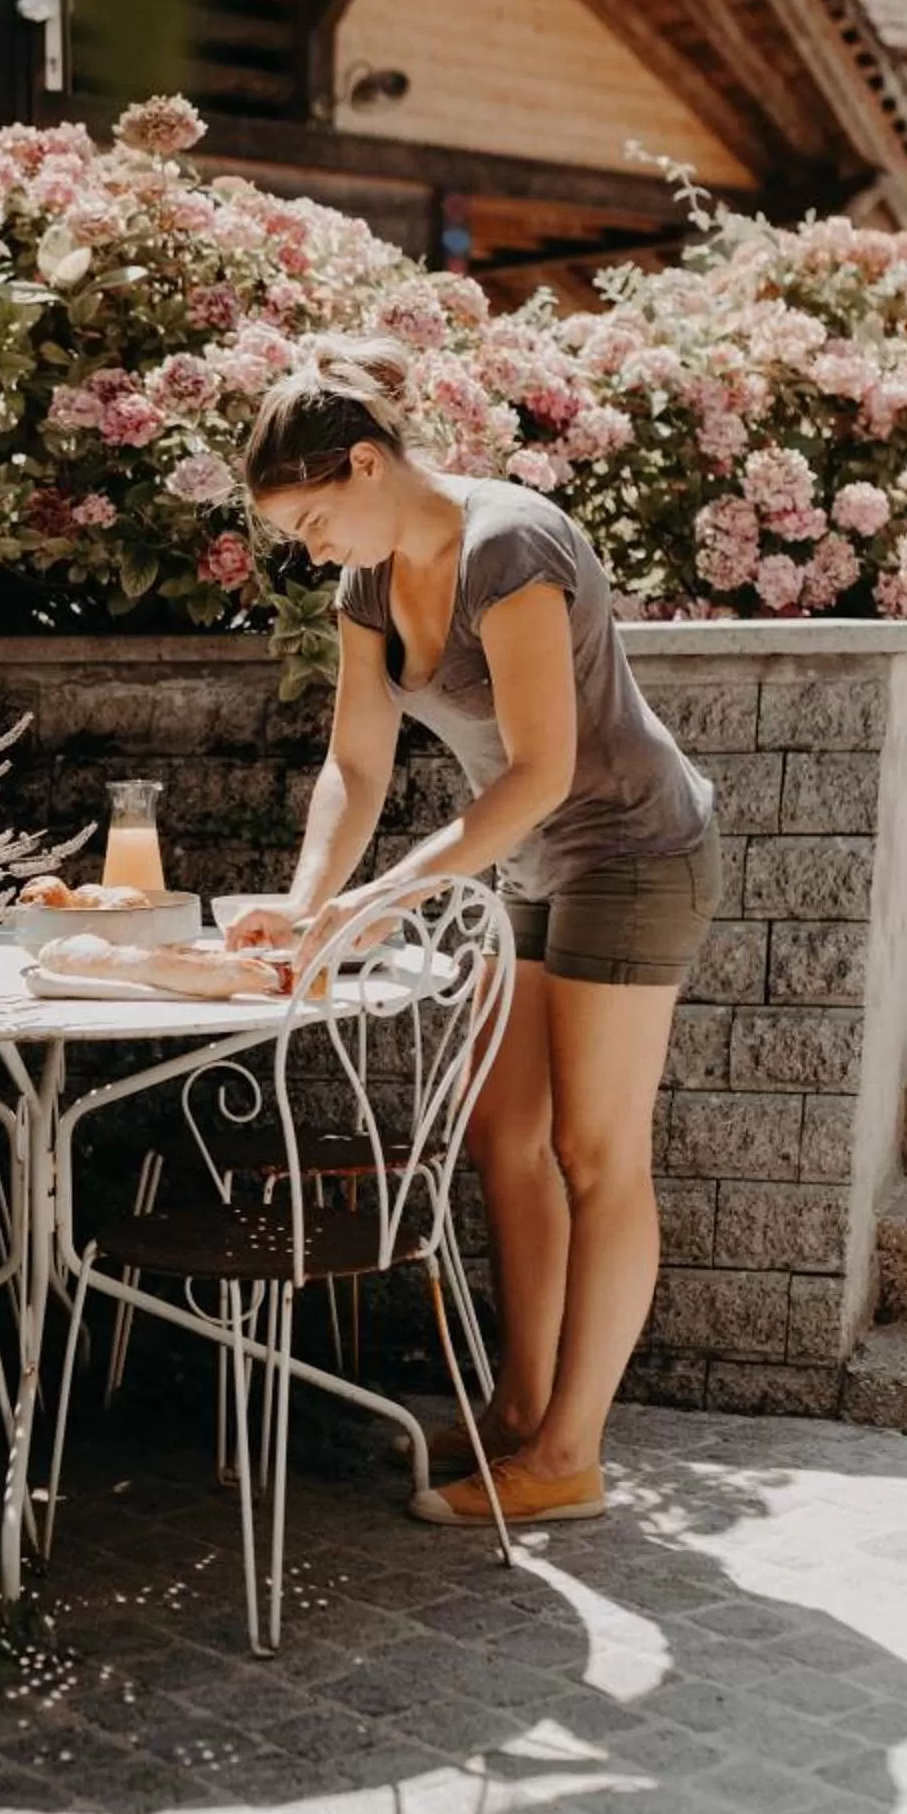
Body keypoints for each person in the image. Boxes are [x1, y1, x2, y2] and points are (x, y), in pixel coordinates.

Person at [225, 334, 719, 1528]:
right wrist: (307, 902)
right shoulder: (368, 582)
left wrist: (390, 895)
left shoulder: (512, 546)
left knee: (596, 1155)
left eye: (311, 523)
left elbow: (542, 767)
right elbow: (355, 763)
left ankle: (570, 1457)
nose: (312, 552)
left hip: (634, 851)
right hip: (535, 860)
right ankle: (520, 1410)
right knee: (505, 1136)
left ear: (364, 463)